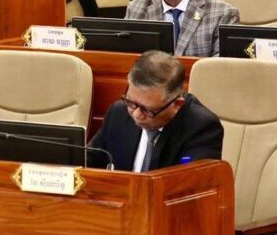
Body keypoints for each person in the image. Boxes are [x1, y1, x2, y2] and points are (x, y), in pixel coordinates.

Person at [89, 50, 223, 171]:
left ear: (177, 104)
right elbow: (89, 159)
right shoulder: (118, 113)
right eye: (131, 102)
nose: (136, 114)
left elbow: (189, 183)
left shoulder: (201, 128)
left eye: (147, 110)